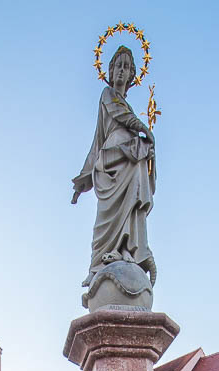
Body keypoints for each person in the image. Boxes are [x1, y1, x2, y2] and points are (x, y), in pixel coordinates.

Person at [72, 45, 157, 287]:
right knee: (105, 219)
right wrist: (83, 179)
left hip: (131, 159)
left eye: (127, 67)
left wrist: (144, 144)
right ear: (110, 70)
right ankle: (98, 263)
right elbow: (97, 142)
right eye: (118, 65)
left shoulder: (127, 109)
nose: (122, 70)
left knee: (131, 208)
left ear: (132, 75)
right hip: (111, 161)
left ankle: (129, 251)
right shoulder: (107, 95)